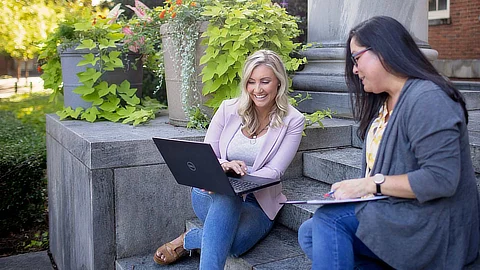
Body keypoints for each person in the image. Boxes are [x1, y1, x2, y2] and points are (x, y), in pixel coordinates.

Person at [297, 16, 480, 269]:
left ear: (383, 51)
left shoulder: (428, 99)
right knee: (309, 233)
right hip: (396, 212)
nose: (353, 69)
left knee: (330, 221)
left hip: (430, 224)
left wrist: (369, 184)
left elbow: (441, 179)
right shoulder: (385, 103)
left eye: (356, 58)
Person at [153, 49, 305, 269]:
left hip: (259, 200)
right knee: (226, 194)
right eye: (251, 82)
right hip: (210, 191)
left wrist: (240, 176)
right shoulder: (228, 109)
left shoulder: (293, 120)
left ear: (279, 83)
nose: (257, 89)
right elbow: (207, 154)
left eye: (265, 81)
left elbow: (275, 171)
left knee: (232, 243)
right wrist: (224, 167)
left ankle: (188, 240)